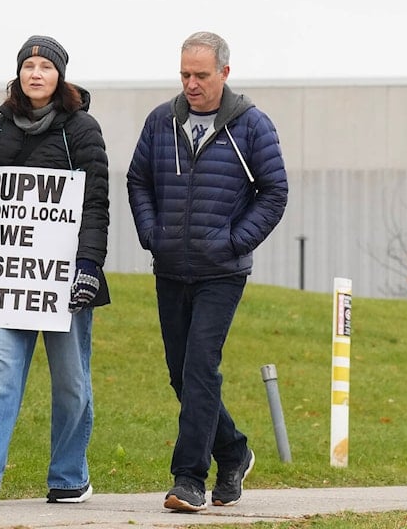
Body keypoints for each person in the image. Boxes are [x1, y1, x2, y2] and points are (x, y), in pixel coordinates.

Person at [0, 35, 110, 505]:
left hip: (66, 280)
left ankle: (70, 477)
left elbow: (95, 205)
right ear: (18, 74)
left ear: (59, 76)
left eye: (45, 67)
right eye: (28, 65)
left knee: (71, 382)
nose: (36, 73)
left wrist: (89, 267)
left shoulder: (82, 129)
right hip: (10, 278)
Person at [126, 30, 288, 513]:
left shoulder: (252, 126)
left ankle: (189, 479)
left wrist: (234, 242)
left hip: (222, 272)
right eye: (184, 74)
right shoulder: (161, 122)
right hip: (170, 267)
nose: (191, 84)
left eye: (200, 75)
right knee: (180, 374)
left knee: (200, 367)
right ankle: (234, 451)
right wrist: (152, 234)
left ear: (224, 72)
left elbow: (274, 192)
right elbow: (138, 180)